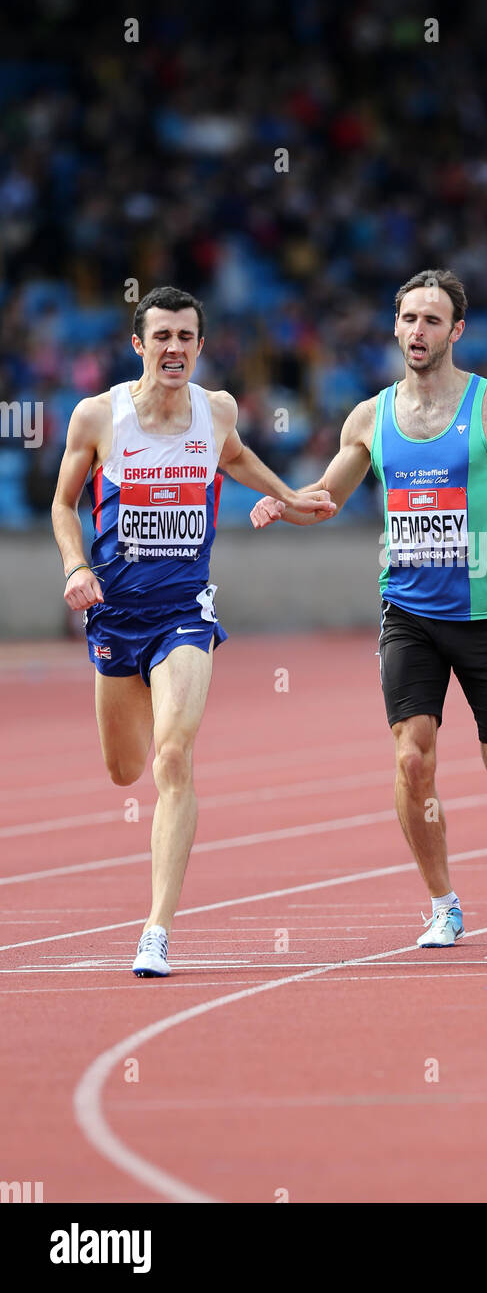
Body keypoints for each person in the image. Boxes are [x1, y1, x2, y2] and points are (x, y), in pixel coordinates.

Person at [251, 268, 487, 946]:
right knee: (413, 759)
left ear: (457, 331)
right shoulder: (370, 416)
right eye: (409, 319)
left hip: (484, 614)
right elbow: (325, 496)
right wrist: (283, 502)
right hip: (407, 613)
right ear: (395, 326)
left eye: (432, 320)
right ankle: (443, 903)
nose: (418, 332)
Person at [51, 285, 335, 977]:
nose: (173, 348)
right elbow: (63, 503)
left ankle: (156, 930)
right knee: (124, 770)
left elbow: (233, 455)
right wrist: (74, 567)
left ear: (200, 347)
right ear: (137, 345)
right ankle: (133, 685)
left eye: (186, 337)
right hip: (116, 616)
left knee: (172, 758)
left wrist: (289, 495)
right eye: (162, 336)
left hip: (185, 614)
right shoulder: (98, 417)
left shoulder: (216, 410)